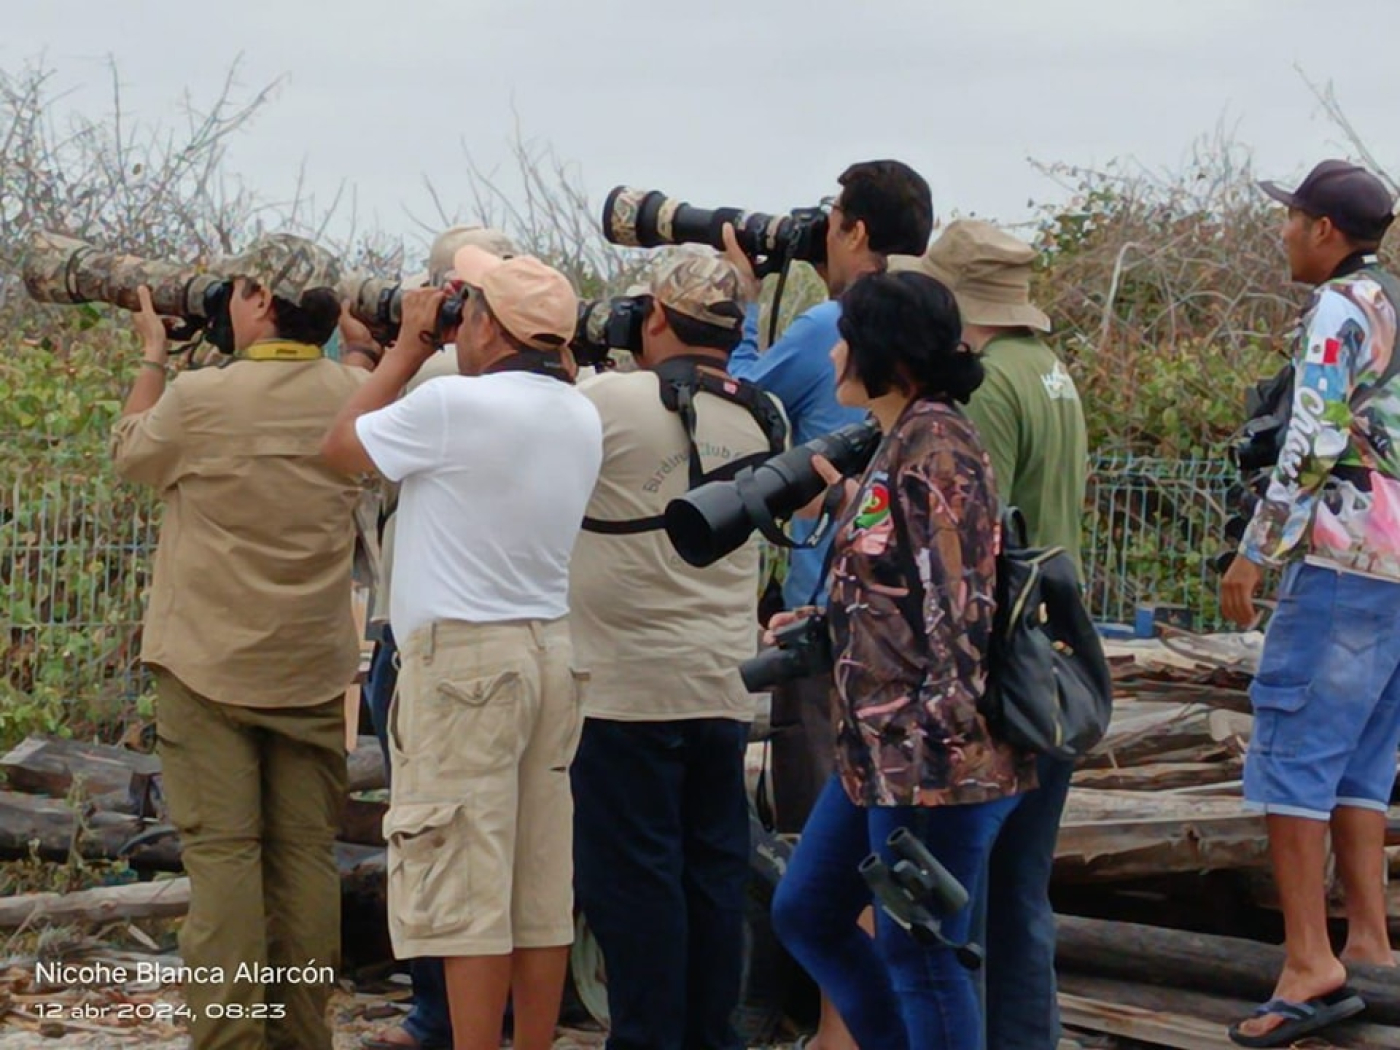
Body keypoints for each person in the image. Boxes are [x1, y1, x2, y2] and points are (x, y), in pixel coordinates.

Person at [320, 247, 602, 1050]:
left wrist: (407, 347)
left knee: (465, 885)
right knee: (538, 886)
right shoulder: (578, 412)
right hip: (549, 653)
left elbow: (340, 446)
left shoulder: (453, 406)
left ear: (485, 324)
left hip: (465, 662)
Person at [111, 234, 366, 1050]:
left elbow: (131, 456)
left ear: (259, 302)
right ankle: (302, 1035)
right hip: (312, 663)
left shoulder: (199, 398)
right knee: (304, 861)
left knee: (223, 863)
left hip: (206, 663)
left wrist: (154, 359)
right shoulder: (357, 394)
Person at [768, 269, 1034, 1050]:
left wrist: (937, 751)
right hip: (879, 750)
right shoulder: (898, 442)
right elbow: (902, 584)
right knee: (808, 911)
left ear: (887, 352)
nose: (835, 354)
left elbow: (961, 610)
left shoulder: (938, 446)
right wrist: (821, 618)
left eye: (848, 338)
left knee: (922, 951)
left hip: (933, 755)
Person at [569, 252, 788, 1050]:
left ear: (652, 316)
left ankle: (648, 1040)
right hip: (722, 683)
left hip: (621, 688)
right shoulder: (767, 415)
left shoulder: (602, 403)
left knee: (633, 886)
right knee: (712, 878)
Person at [1219, 159, 1400, 1048]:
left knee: (1291, 754)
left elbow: (1315, 432)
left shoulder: (1340, 309)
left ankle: (1308, 961)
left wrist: (1258, 550)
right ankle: (1368, 939)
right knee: (1363, 760)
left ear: (1326, 229)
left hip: (1344, 558)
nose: (1285, 232)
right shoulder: (1399, 303)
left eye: (1293, 218)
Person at [897, 219, 1089, 1050]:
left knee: (957, 894)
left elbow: (972, 539)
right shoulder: (1048, 372)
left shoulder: (986, 389)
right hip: (1053, 657)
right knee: (1023, 893)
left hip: (1000, 667)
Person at [725, 160, 934, 840]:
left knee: (815, 821)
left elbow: (746, 401)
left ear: (855, 230)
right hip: (898, 620)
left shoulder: (826, 325)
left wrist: (745, 305)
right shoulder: (929, 315)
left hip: (828, 610)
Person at [351, 225, 521, 1050]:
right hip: (530, 640)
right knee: (512, 844)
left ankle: (436, 1017)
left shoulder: (441, 385)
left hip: (427, 640)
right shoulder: (567, 384)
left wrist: (387, 352)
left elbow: (348, 457)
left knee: (427, 832)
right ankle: (506, 1016)